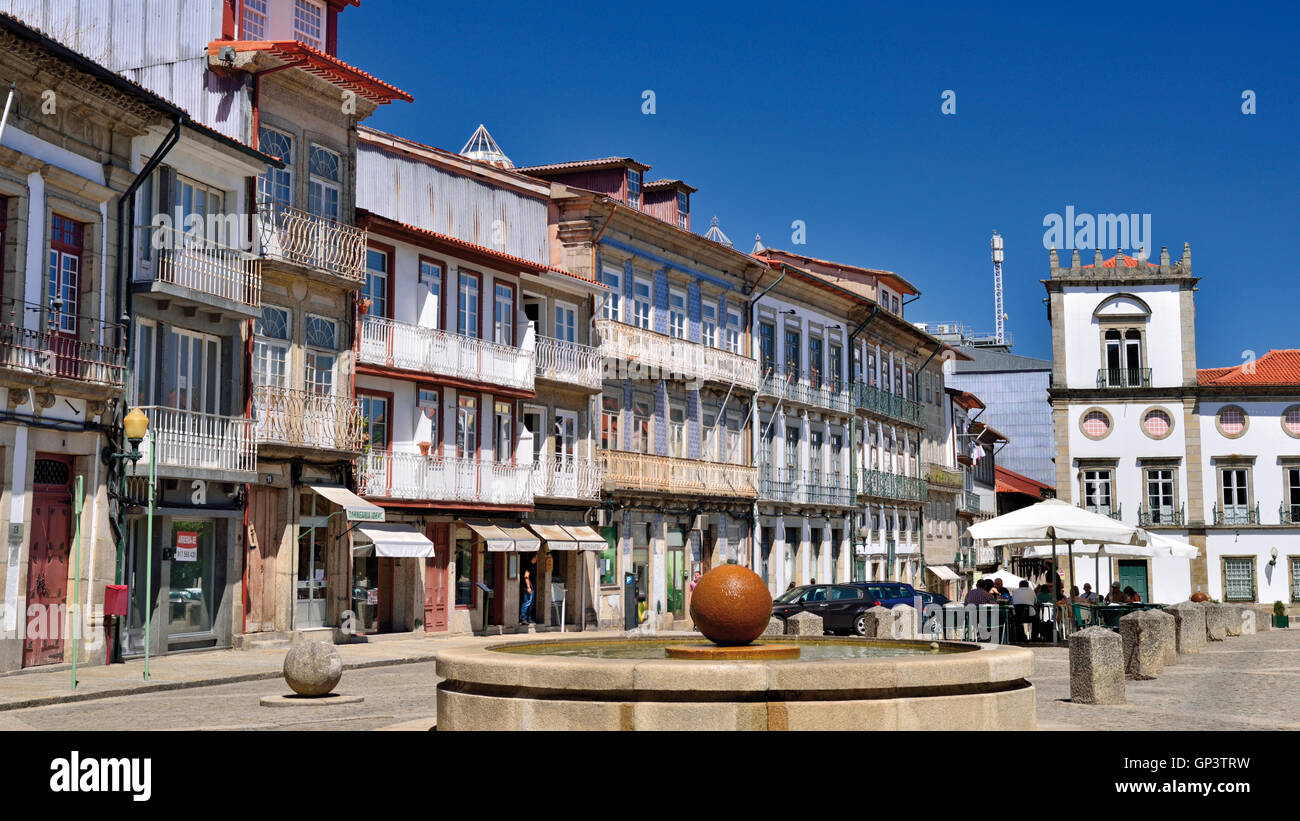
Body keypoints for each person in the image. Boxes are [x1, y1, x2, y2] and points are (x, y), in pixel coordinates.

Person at [520, 557, 535, 625]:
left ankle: (528, 618)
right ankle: (523, 619)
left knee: (530, 603)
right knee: (527, 603)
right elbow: (526, 576)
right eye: (535, 557)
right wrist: (528, 587)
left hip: (531, 588)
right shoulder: (529, 565)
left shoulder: (531, 565)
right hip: (529, 588)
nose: (536, 559)